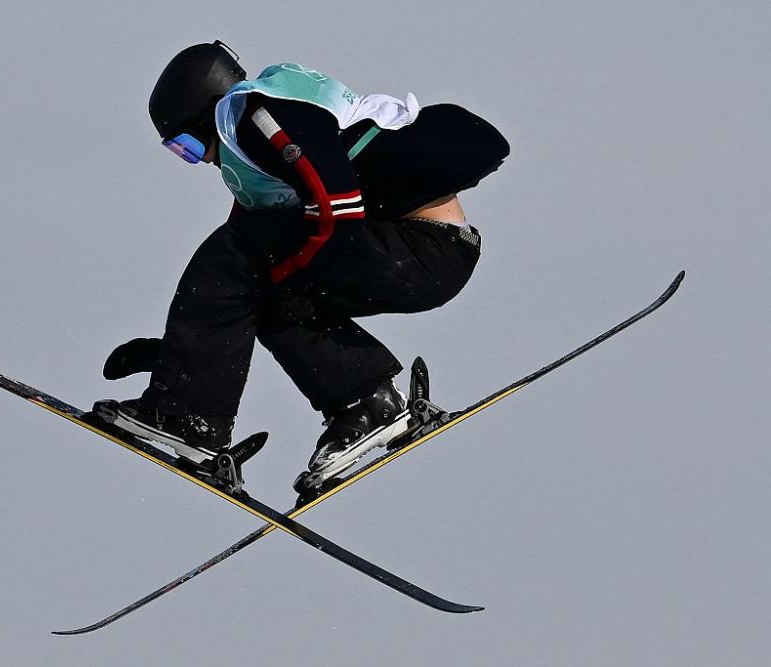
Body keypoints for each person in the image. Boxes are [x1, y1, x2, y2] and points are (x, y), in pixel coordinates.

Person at [93, 41, 509, 492]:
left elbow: (337, 205)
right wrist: (174, 357)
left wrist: (283, 279)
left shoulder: (257, 116)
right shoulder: (252, 151)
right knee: (261, 282)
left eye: (188, 144)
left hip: (424, 247)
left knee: (251, 263)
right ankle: (367, 403)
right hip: (420, 258)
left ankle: (188, 420)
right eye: (181, 153)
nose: (200, 160)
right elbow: (232, 291)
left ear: (206, 111)